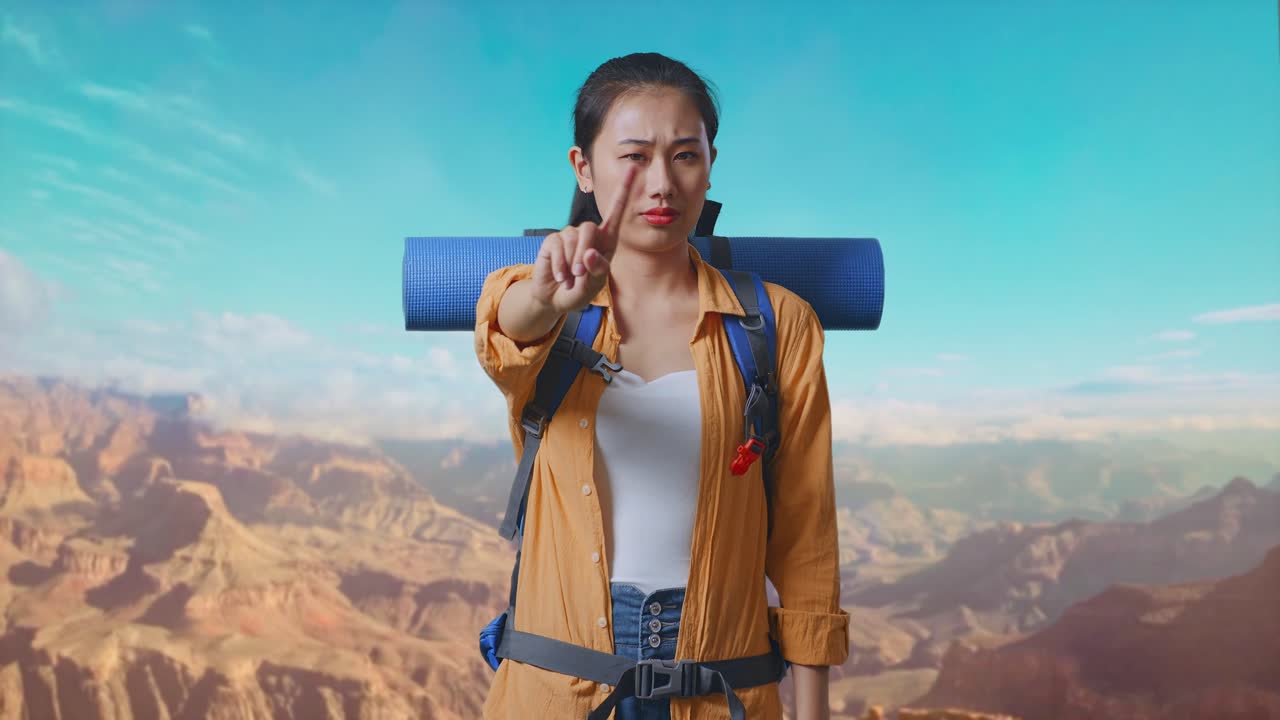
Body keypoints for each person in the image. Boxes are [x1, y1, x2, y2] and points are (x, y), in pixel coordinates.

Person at [475, 52, 848, 720]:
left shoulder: (776, 324)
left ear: (710, 164)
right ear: (583, 168)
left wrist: (813, 709)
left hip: (723, 687)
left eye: (684, 155)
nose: (661, 183)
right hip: (556, 692)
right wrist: (550, 296)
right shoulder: (539, 300)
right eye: (634, 156)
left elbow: (805, 530)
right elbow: (510, 327)